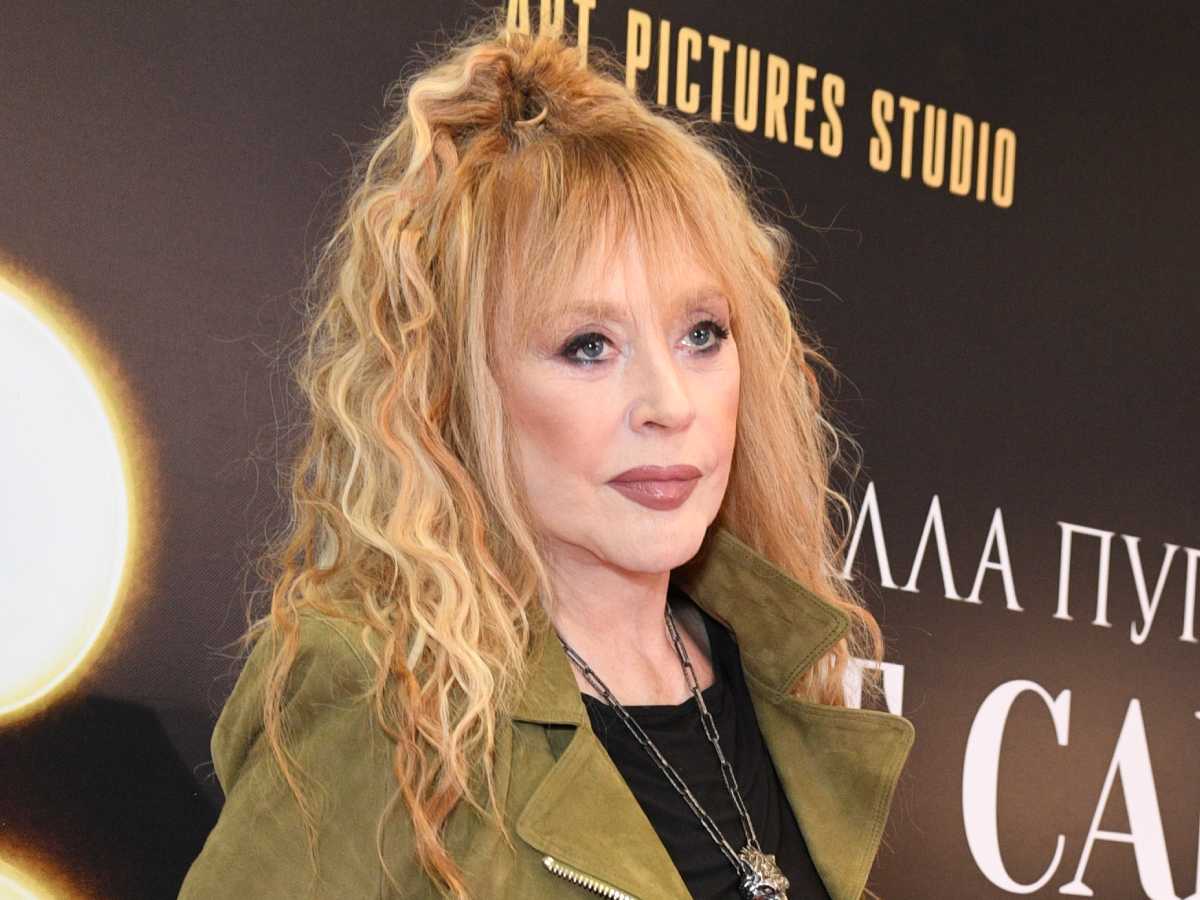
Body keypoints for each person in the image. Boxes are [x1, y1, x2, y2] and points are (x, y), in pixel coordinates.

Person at [179, 9, 914, 900]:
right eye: (588, 346)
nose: (670, 405)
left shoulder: (778, 672)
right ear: (459, 389)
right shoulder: (387, 700)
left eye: (702, 333)